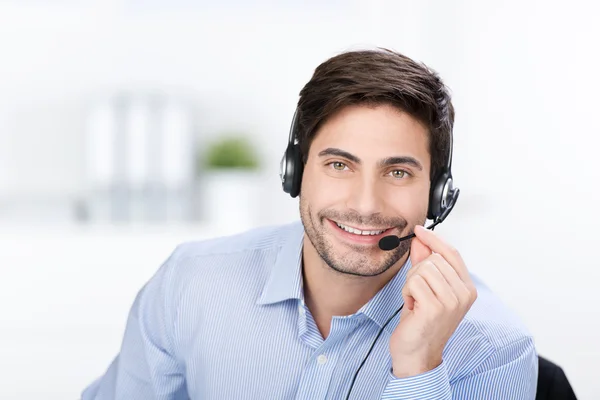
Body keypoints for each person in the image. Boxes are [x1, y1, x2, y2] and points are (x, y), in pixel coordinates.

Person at [81, 48, 538, 399]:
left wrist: (419, 367)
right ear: (295, 171)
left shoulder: (494, 349)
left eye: (398, 172)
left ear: (439, 194)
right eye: (340, 165)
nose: (365, 205)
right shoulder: (189, 284)